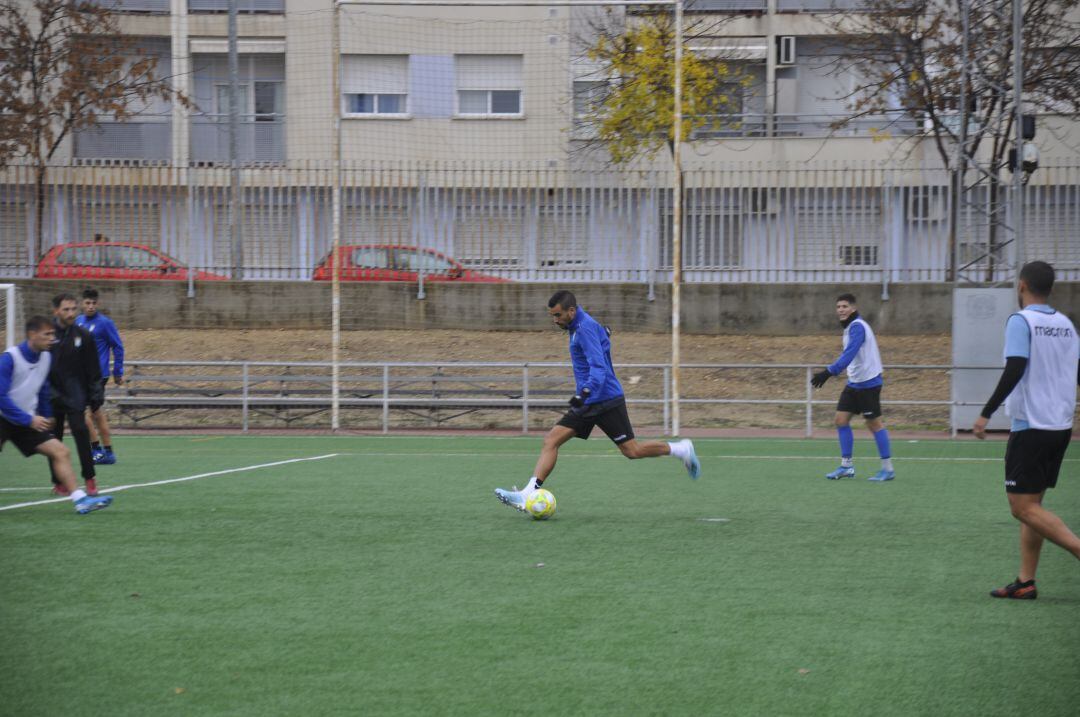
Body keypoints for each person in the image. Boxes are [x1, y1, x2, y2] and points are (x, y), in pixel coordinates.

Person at [494, 290, 700, 513]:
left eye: (558, 315)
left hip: (604, 399)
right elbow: (599, 344)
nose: (555, 320)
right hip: (591, 401)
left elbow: (599, 369)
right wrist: (604, 336)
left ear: (571, 311)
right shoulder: (579, 325)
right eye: (552, 315)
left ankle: (680, 449)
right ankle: (527, 493)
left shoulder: (584, 329)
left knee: (632, 451)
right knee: (552, 440)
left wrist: (584, 391)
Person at [974, 261, 1080, 600]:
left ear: (1021, 286)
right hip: (1059, 424)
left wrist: (985, 413)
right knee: (1033, 505)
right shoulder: (1066, 324)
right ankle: (1026, 581)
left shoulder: (1021, 321)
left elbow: (1015, 367)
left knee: (1021, 507)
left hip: (1032, 425)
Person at [0, 316, 113, 514]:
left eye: (53, 333)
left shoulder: (45, 357)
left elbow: (43, 389)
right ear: (32, 335)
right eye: (47, 334)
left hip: (24, 420)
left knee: (61, 451)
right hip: (4, 417)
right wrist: (29, 419)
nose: (52, 338)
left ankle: (81, 500)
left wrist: (46, 415)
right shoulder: (10, 358)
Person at [810, 293, 895, 481]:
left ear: (853, 308)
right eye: (838, 307)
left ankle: (888, 469)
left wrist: (828, 372)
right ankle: (846, 467)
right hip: (854, 383)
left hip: (869, 383)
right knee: (840, 420)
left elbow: (849, 354)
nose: (840, 310)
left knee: (874, 424)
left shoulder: (858, 327)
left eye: (844, 306)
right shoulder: (850, 327)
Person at [48, 293, 104, 496]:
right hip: (51, 395)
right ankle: (58, 481)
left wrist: (95, 395)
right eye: (66, 309)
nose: (71, 313)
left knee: (81, 433)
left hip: (75, 395)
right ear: (56, 311)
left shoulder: (83, 335)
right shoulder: (46, 335)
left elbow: (93, 369)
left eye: (73, 309)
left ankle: (90, 479)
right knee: (54, 439)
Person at [76, 287, 124, 465]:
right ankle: (102, 451)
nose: (90, 306)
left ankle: (102, 451)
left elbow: (118, 347)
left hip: (98, 375)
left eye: (93, 303)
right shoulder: (78, 322)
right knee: (89, 413)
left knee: (91, 413)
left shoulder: (105, 323)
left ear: (98, 303)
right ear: (82, 303)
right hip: (80, 375)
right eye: (87, 303)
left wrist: (117, 372)